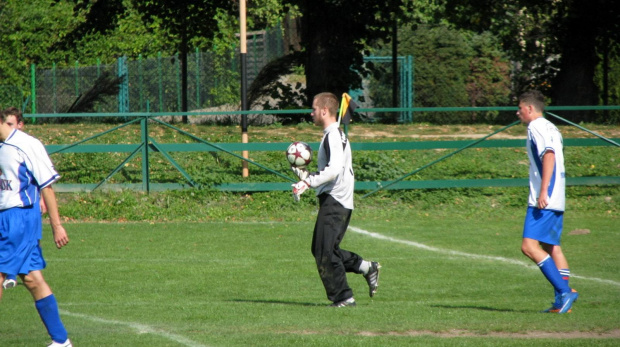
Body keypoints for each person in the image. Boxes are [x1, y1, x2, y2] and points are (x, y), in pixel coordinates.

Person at [291, 92, 380, 307]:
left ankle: (344, 297)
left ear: (324, 111)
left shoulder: (332, 135)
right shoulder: (332, 135)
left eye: (313, 109)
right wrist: (305, 176)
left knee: (324, 251)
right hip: (335, 200)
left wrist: (308, 182)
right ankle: (366, 267)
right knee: (321, 249)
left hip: (336, 201)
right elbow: (330, 172)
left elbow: (334, 170)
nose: (311, 113)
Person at [0, 107, 73, 346]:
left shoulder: (26, 144)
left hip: (19, 219)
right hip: (6, 217)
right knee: (32, 279)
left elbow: (47, 186)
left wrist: (57, 225)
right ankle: (61, 340)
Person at [516, 90, 579, 314]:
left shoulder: (537, 126)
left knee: (528, 246)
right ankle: (563, 303)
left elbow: (549, 156)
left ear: (530, 108)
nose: (518, 112)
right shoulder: (552, 127)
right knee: (552, 247)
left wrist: (543, 191)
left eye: (520, 108)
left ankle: (565, 292)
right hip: (557, 196)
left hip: (545, 197)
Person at [1, 107, 48, 290]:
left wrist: (43, 200)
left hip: (23, 209)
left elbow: (42, 179)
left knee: (27, 240)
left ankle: (11, 273)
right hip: (8, 208)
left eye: (13, 124)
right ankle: (12, 271)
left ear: (20, 125)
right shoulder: (4, 147)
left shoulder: (27, 145)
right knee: (33, 279)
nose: (10, 127)